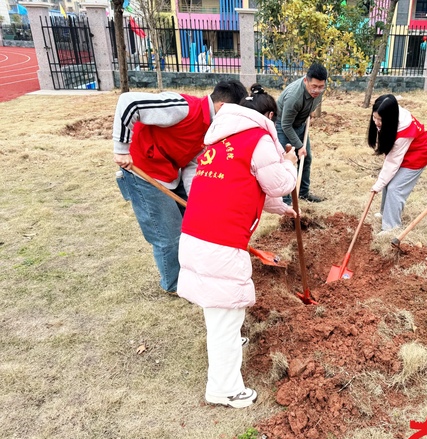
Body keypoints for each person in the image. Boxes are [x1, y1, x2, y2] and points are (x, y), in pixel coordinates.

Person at [176, 84, 298, 408]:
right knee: (224, 319)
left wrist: (281, 209)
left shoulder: (221, 140)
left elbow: (246, 184)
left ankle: (229, 341)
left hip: (196, 234)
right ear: (268, 116)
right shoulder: (257, 138)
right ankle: (224, 389)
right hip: (220, 243)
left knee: (219, 310)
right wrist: (290, 163)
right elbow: (280, 183)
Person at [112, 80, 248, 294]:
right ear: (223, 107)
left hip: (169, 172)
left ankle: (192, 272)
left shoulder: (209, 129)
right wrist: (121, 148)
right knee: (168, 234)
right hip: (144, 171)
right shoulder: (182, 108)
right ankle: (174, 285)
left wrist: (195, 200)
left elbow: (192, 164)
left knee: (193, 224)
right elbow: (129, 102)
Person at [368, 94, 427, 233]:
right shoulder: (391, 112)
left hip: (417, 155)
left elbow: (392, 162)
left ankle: (391, 227)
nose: (376, 122)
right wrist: (382, 181)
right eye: (374, 117)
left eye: (380, 120)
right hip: (404, 152)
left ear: (390, 118)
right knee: (388, 182)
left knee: (395, 188)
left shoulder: (404, 130)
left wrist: (378, 185)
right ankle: (385, 213)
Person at [275, 62, 327, 204]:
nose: (317, 90)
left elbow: (313, 101)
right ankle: (285, 201)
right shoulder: (294, 97)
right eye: (314, 86)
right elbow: (286, 125)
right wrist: (299, 146)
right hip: (283, 126)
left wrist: (308, 111)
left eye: (321, 87)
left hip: (300, 123)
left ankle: (303, 193)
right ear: (306, 81)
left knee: (306, 158)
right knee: (287, 162)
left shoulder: (320, 87)